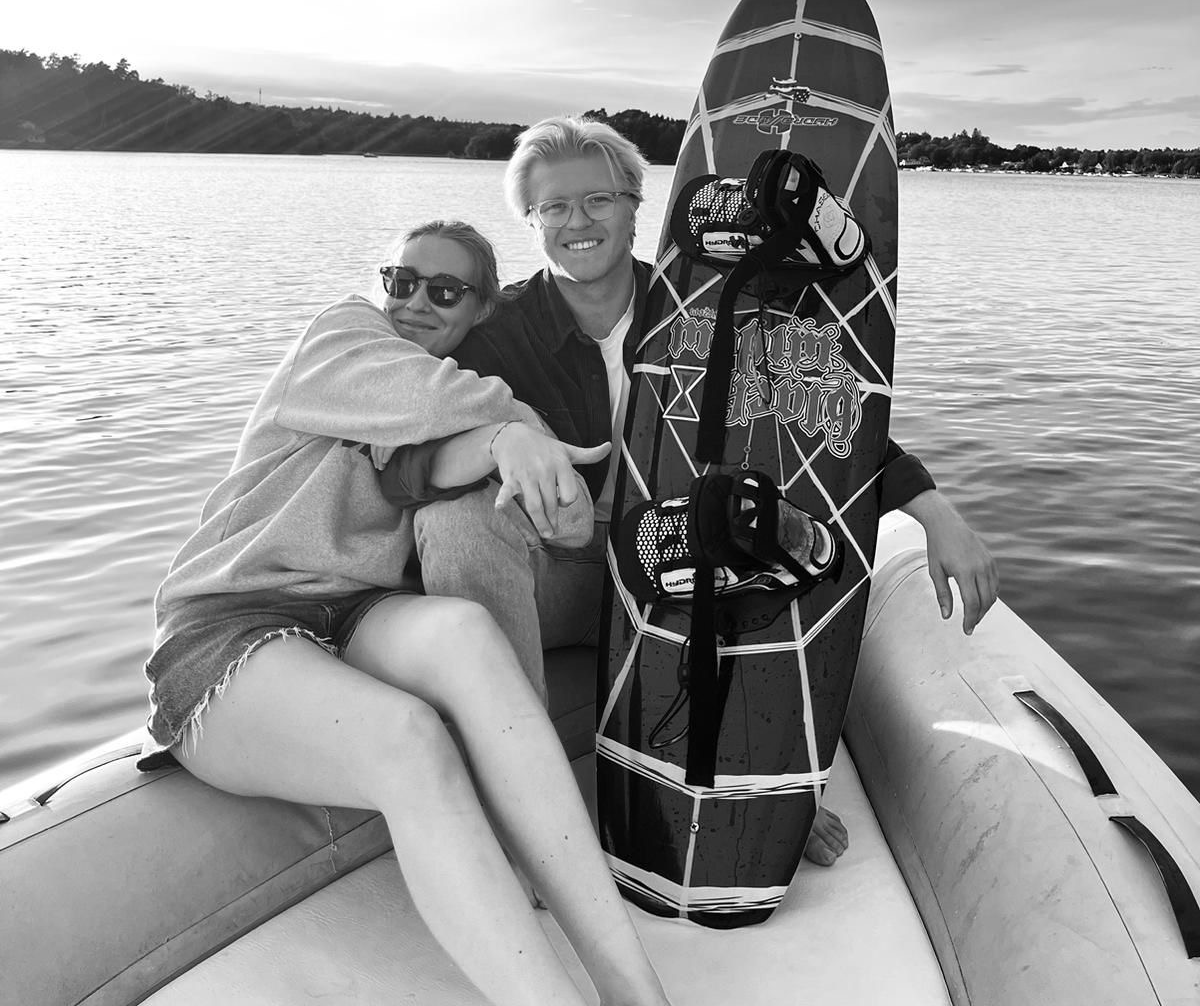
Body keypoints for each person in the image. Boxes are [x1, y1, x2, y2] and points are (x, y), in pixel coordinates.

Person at [414, 120, 1001, 868]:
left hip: (680, 555)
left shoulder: (708, 303)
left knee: (756, 527)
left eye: (598, 200)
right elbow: (422, 419)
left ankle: (757, 778)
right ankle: (519, 799)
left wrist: (935, 511)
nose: (577, 223)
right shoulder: (500, 335)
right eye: (552, 208)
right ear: (531, 222)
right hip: (560, 568)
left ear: (636, 208)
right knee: (456, 521)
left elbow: (818, 420)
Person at [139, 219, 673, 1006]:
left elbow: (428, 463)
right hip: (229, 625)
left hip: (352, 614)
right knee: (412, 741)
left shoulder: (430, 403)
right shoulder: (345, 340)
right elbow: (443, 407)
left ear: (480, 311)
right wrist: (519, 430)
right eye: (401, 279)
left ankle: (636, 991)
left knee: (465, 634)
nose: (414, 301)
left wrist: (503, 449)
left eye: (445, 290)